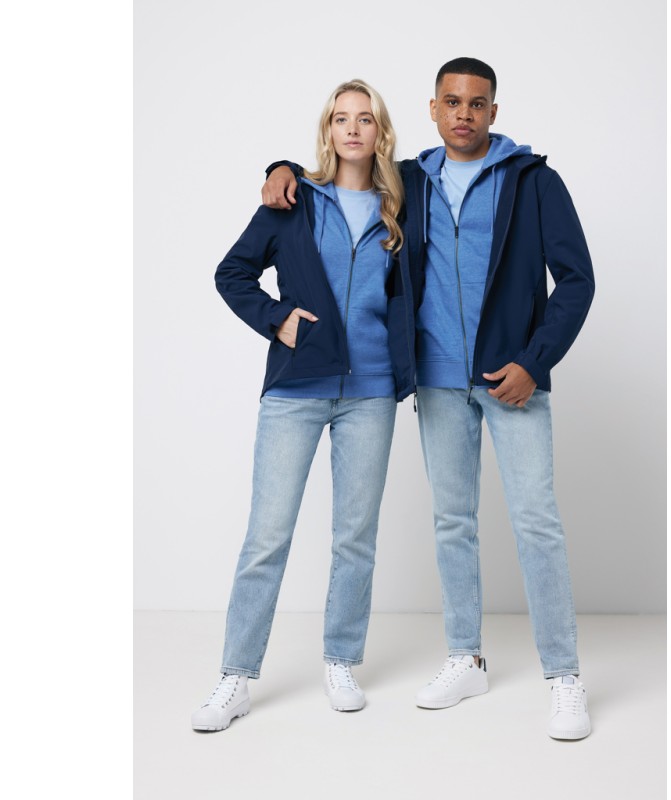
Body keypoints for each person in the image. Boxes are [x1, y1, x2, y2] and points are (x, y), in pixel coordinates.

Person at [262, 57, 595, 740]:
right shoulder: (408, 181)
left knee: (536, 523)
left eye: (476, 103)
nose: (463, 114)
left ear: (494, 112)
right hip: (438, 380)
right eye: (451, 102)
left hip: (512, 379)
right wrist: (281, 167)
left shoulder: (534, 181)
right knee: (453, 521)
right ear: (433, 109)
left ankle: (564, 676)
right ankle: (465, 657)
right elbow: (344, 169)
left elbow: (577, 280)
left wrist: (534, 362)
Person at [192, 79, 416, 732]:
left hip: (371, 393)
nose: (353, 129)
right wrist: (277, 319)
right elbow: (232, 272)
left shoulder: (400, 207)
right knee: (267, 536)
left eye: (365, 119)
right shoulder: (293, 200)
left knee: (355, 537)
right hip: (295, 390)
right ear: (328, 131)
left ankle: (341, 661)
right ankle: (236, 677)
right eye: (341, 119)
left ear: (380, 132)